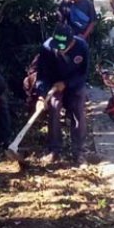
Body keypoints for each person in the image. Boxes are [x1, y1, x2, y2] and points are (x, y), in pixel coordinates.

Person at [34, 24, 90, 165]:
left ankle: (79, 152)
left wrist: (67, 84)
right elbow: (42, 75)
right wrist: (41, 96)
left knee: (78, 112)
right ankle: (54, 150)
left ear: (72, 41)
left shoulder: (82, 47)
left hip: (74, 84)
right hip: (54, 84)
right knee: (54, 106)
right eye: (57, 45)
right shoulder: (47, 48)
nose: (59, 48)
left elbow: (83, 74)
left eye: (63, 45)